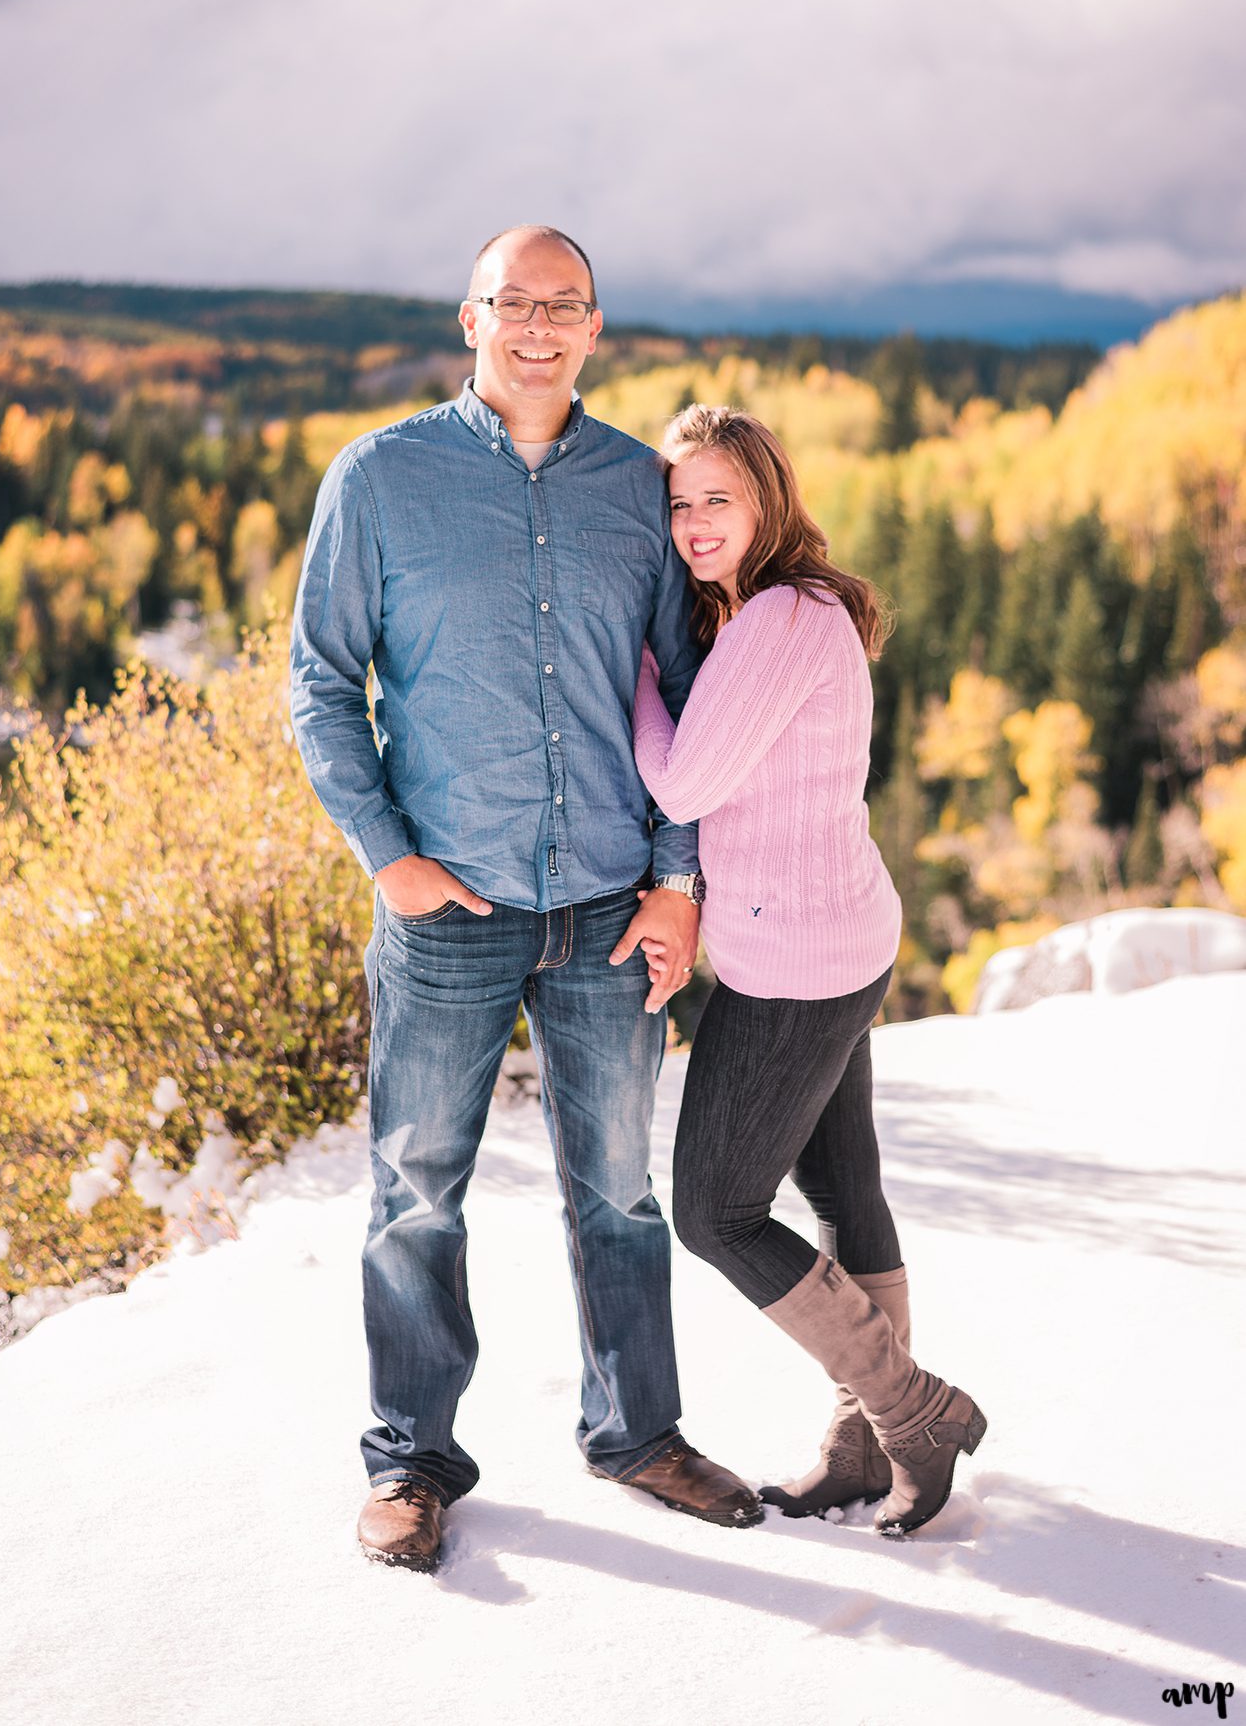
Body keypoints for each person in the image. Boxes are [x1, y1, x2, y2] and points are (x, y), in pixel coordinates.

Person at [290, 227, 760, 1573]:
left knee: (619, 1190)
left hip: (611, 905)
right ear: (471, 316)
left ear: (596, 326)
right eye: (515, 302)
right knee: (414, 1188)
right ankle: (410, 1460)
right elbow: (322, 681)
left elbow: (688, 697)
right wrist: (387, 853)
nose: (537, 326)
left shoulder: (640, 488)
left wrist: (678, 882)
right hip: (448, 905)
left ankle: (638, 1432)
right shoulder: (380, 478)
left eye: (564, 305)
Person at [632, 405, 986, 1538]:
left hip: (794, 966)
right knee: (840, 1191)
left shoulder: (781, 615)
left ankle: (910, 1412)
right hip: (833, 939)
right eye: (678, 503)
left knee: (715, 1208)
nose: (693, 523)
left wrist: (634, 666)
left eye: (716, 499)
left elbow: (682, 786)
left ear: (768, 499)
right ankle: (864, 1445)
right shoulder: (786, 607)